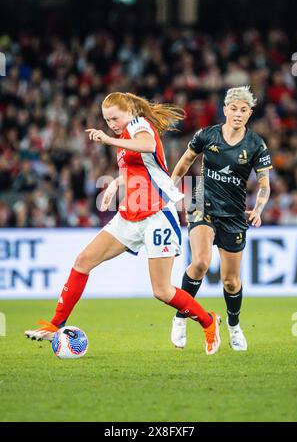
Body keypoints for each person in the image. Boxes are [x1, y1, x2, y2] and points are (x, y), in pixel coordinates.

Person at [25, 92, 221, 355]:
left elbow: (148, 145)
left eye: (115, 118)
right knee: (83, 261)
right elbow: (139, 168)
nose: (111, 124)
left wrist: (108, 139)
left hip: (157, 215)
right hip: (129, 215)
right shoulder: (125, 136)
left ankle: (209, 322)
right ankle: (55, 324)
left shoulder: (138, 126)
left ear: (129, 110)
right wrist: (116, 183)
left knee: (162, 291)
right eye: (107, 121)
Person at [171, 86, 272, 351]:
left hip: (234, 213)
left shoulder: (255, 145)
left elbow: (264, 184)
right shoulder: (206, 135)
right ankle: (180, 317)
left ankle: (234, 326)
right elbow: (184, 162)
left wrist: (258, 209)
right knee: (201, 262)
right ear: (225, 109)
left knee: (230, 280)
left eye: (244, 110)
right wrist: (170, 189)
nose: (238, 114)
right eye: (234, 109)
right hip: (202, 201)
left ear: (249, 114)